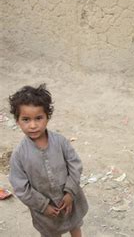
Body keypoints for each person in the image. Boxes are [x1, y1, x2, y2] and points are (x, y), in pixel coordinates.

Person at [8, 84, 88, 237]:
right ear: (17, 121)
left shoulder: (60, 142)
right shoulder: (19, 155)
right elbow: (21, 187)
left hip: (70, 200)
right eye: (26, 119)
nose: (33, 125)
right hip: (45, 210)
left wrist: (70, 193)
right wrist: (44, 206)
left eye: (38, 118)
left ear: (47, 117)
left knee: (75, 225)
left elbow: (75, 165)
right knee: (51, 232)